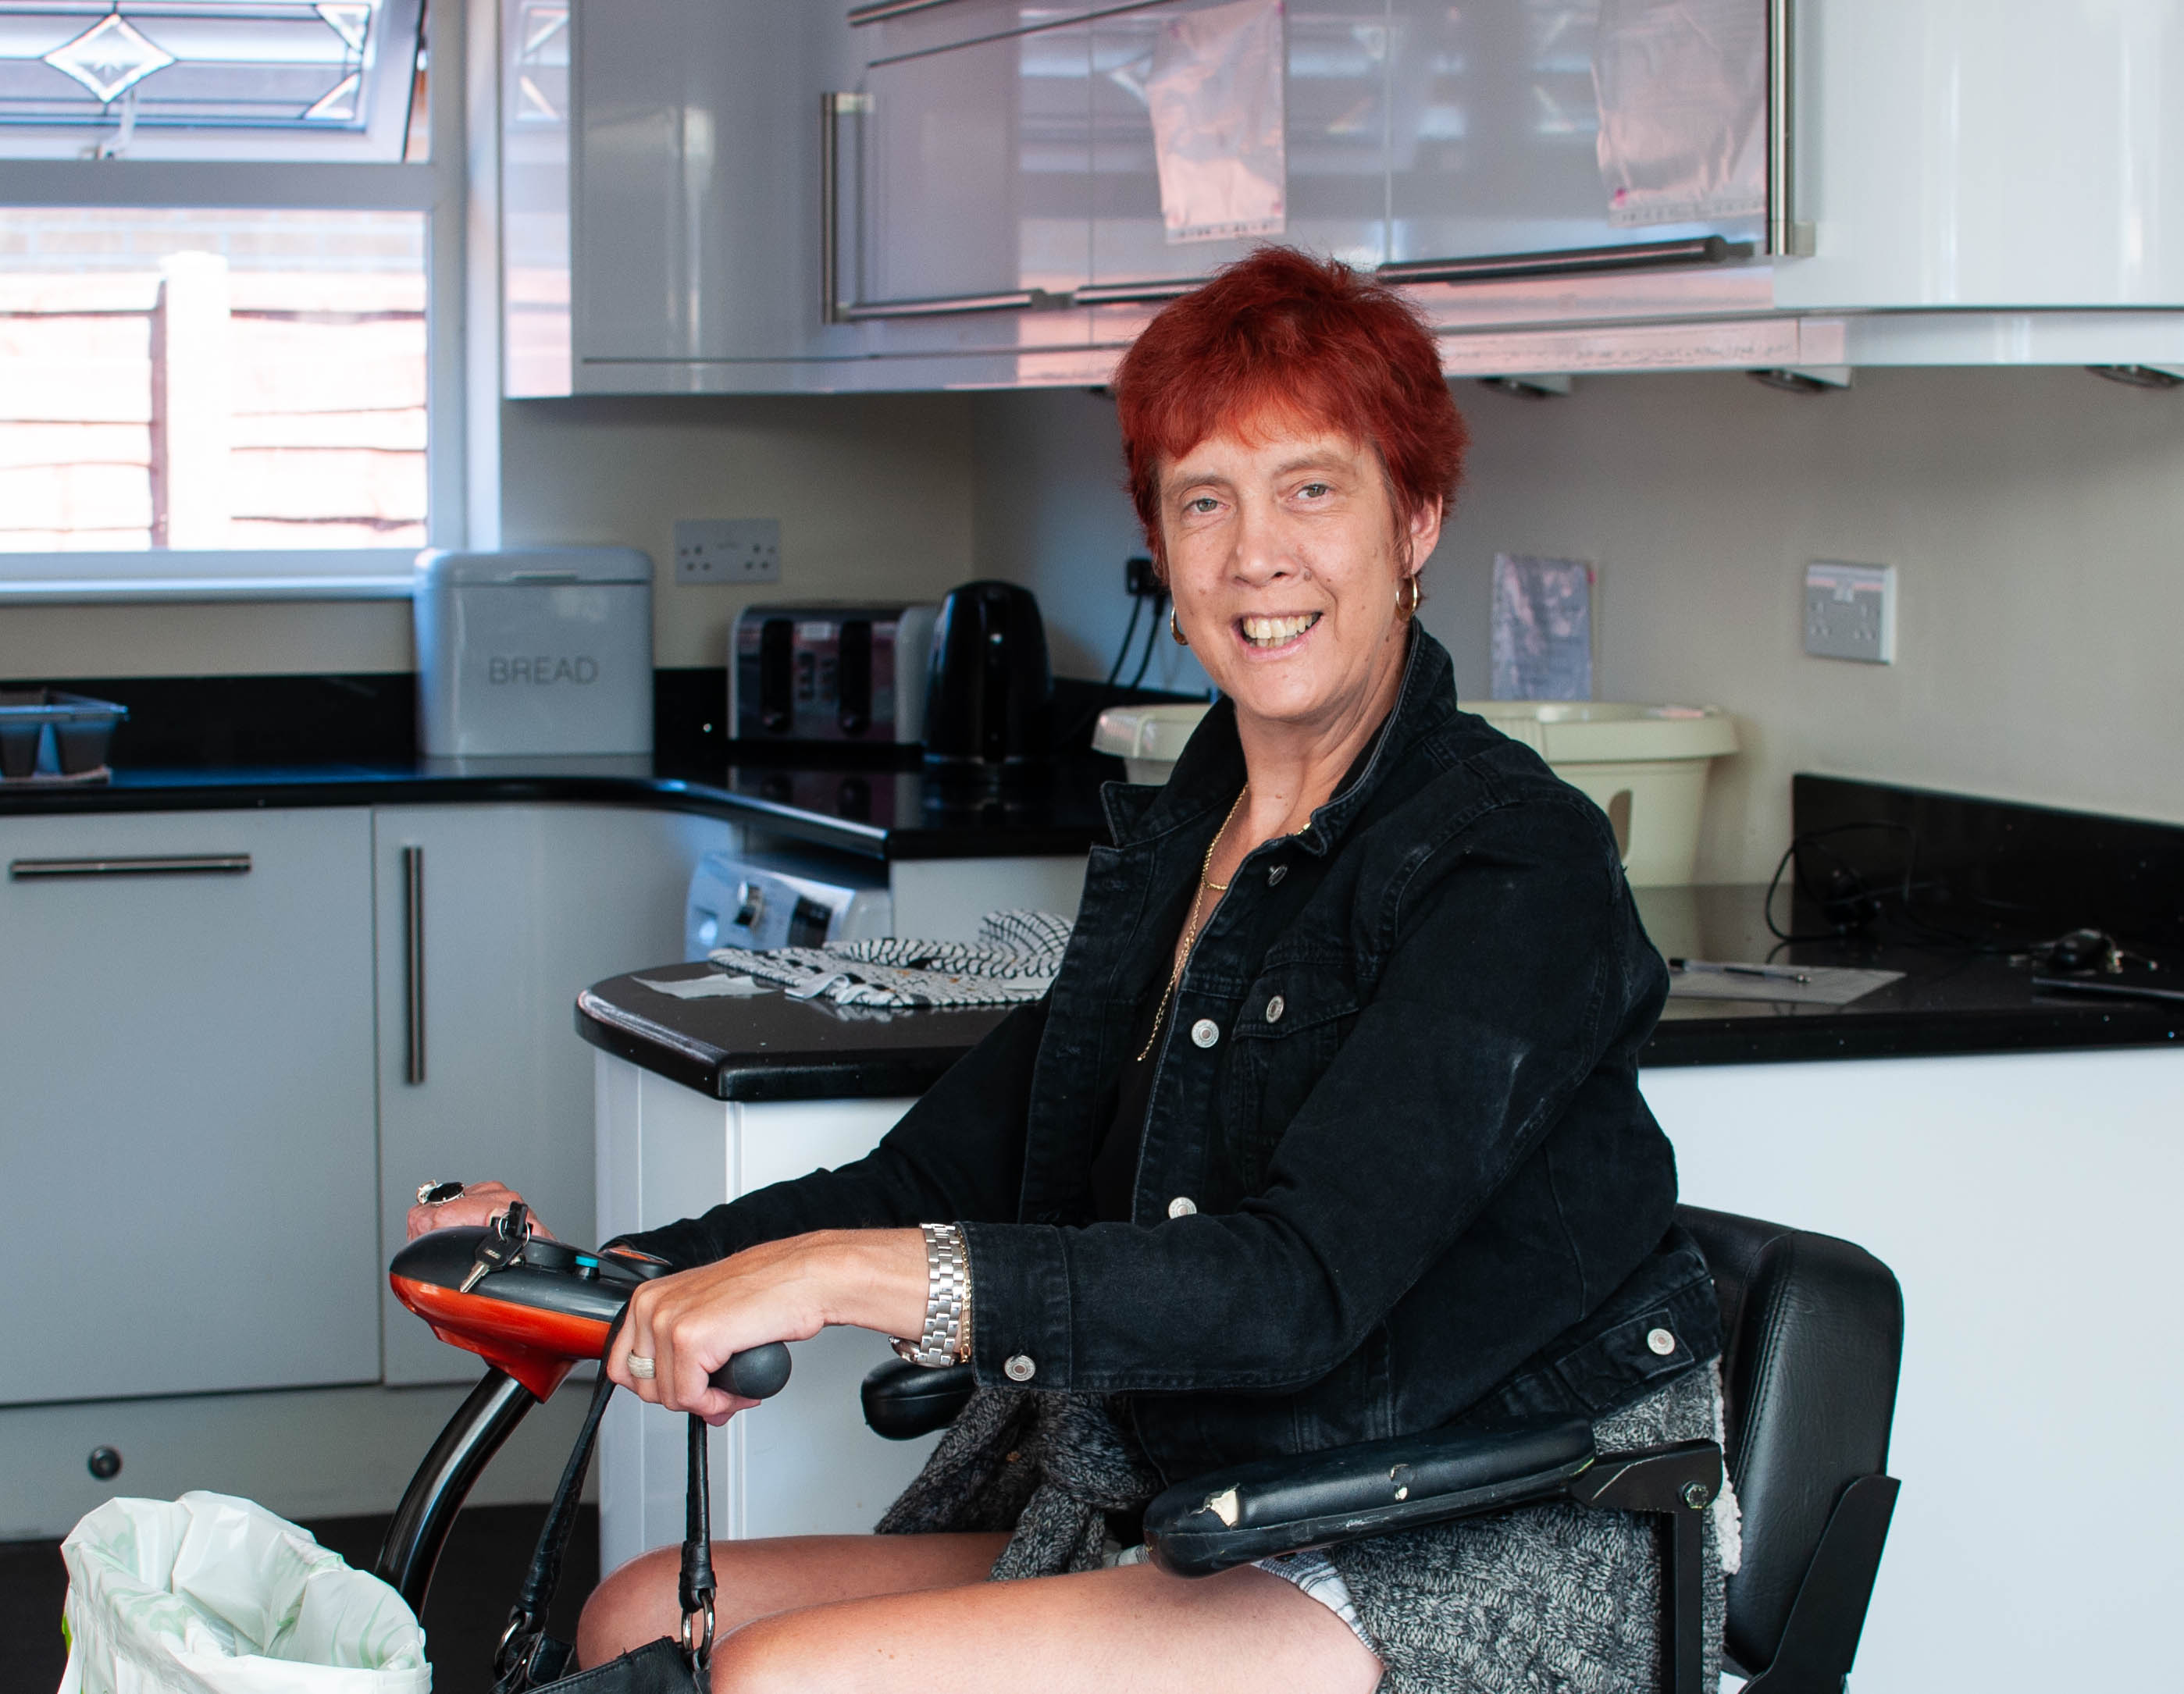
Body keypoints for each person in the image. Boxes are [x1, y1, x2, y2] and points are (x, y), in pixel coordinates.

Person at [409, 246, 1728, 1694]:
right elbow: (926, 1181)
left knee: (776, 1681)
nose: (1254, 555)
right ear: (1161, 545)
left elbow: (1292, 1289)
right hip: (1211, 1488)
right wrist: (599, 1277)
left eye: (1311, 488)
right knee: (641, 1615)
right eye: (1202, 500)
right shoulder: (1188, 833)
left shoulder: (1511, 862)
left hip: (1471, 1515)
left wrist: (847, 1281)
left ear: (1413, 519)